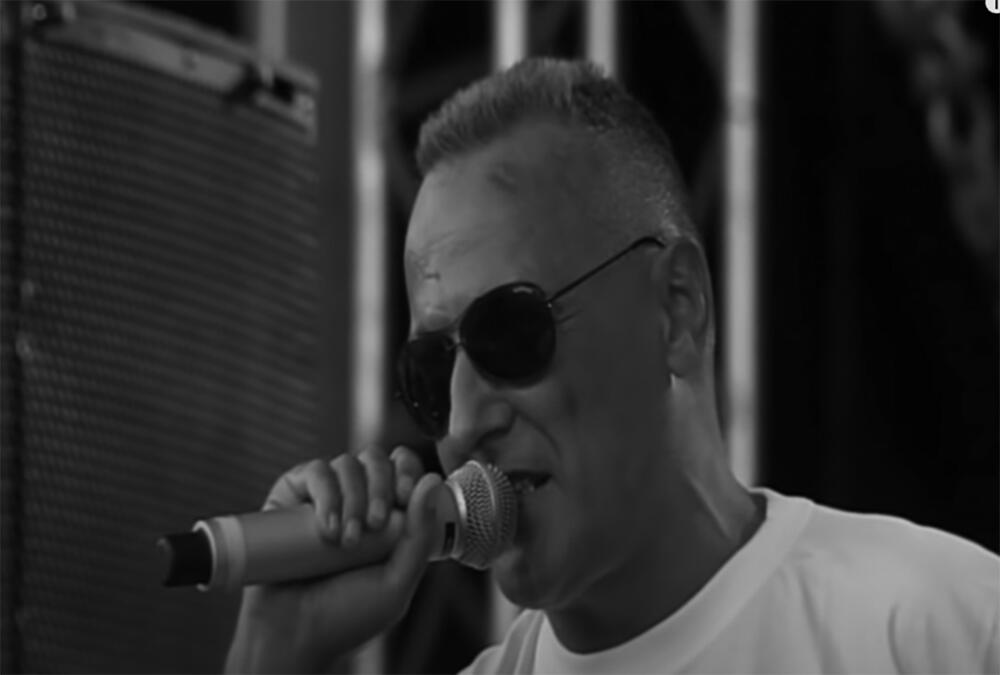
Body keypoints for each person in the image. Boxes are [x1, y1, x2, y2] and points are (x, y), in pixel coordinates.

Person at [225, 58, 999, 674]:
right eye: (430, 368)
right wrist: (273, 650)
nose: (461, 424)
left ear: (676, 310)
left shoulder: (941, 627)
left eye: (509, 333)